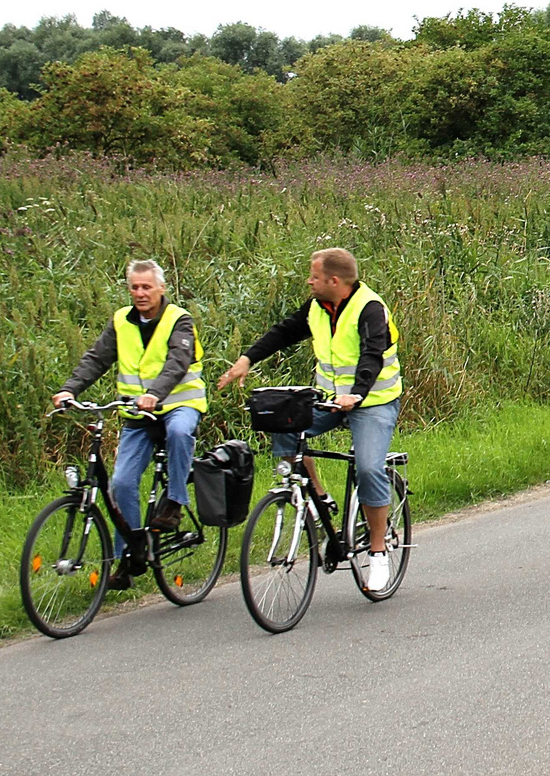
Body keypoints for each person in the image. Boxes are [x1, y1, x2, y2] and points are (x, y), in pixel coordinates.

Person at [218, 247, 405, 591]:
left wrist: (358, 393)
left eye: (314, 276)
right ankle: (316, 499)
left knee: (367, 469)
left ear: (334, 280)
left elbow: (372, 354)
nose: (309, 281)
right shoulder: (318, 307)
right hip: (332, 401)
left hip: (373, 402)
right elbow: (284, 332)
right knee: (284, 425)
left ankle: (378, 553)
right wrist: (248, 359)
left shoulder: (370, 309)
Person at [53, 259, 207, 589]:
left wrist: (154, 394)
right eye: (134, 287)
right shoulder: (121, 321)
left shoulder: (179, 320)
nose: (140, 293)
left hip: (178, 404)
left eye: (146, 287)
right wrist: (69, 389)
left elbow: (177, 362)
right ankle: (130, 556)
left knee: (180, 432)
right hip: (136, 416)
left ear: (161, 288)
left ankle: (175, 502)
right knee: (121, 484)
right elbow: (96, 358)